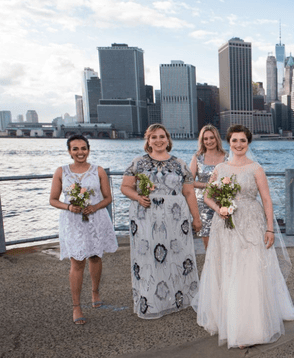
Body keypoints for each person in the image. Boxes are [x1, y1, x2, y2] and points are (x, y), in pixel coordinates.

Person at [195, 124, 294, 348]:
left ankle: (249, 327)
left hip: (252, 222)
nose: (239, 145)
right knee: (228, 268)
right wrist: (220, 209)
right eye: (235, 141)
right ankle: (229, 319)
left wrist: (270, 228)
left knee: (250, 269)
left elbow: (267, 201)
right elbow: (207, 196)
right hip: (225, 224)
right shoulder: (221, 169)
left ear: (248, 142)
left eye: (243, 141)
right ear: (229, 142)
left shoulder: (256, 169)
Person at [121, 124, 201, 319]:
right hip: (145, 216)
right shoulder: (138, 163)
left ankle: (179, 298)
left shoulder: (180, 164)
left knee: (177, 254)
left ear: (168, 139)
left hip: (175, 216)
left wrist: (196, 218)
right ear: (148, 141)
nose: (158, 140)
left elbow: (189, 192)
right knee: (148, 257)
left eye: (162, 136)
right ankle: (151, 301)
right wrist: (138, 197)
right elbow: (125, 187)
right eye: (154, 137)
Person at [49, 134, 118, 325]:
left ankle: (95, 291)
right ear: (69, 152)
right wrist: (70, 207)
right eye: (75, 149)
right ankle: (76, 306)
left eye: (83, 148)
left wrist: (95, 207)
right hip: (73, 221)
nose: (80, 152)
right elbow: (53, 199)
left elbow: (107, 198)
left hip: (95, 218)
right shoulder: (61, 172)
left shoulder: (99, 171)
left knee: (95, 256)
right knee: (77, 261)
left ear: (88, 149)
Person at [189, 124, 228, 249]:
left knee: (224, 239)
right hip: (202, 204)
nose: (209, 141)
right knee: (208, 241)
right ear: (202, 141)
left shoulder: (226, 157)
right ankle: (210, 267)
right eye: (205, 139)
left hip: (222, 201)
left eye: (212, 138)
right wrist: (209, 185)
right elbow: (189, 181)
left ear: (217, 139)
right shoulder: (198, 157)